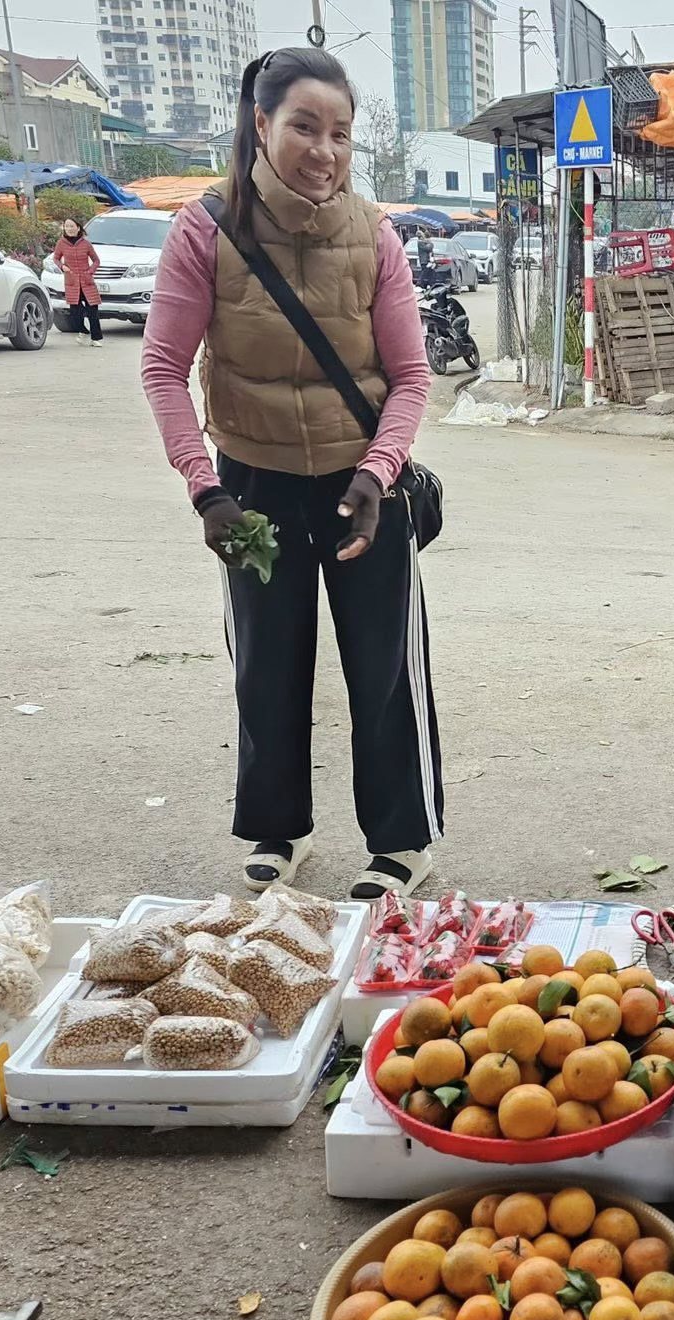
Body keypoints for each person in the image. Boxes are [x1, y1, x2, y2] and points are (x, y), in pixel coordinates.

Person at [140, 47, 440, 899]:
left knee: (381, 665)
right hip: (255, 483)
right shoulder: (205, 228)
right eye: (306, 126)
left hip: (362, 488)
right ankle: (279, 831)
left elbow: (412, 376)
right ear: (261, 124)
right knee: (266, 663)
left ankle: (402, 841)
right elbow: (165, 367)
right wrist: (206, 488)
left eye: (341, 133)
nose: (325, 150)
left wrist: (380, 474)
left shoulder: (376, 233)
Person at [52, 215, 103, 345]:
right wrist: (62, 267)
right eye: (67, 226)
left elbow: (96, 260)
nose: (69, 229)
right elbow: (56, 258)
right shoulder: (61, 243)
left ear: (78, 228)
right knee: (75, 312)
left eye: (71, 226)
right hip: (72, 282)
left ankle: (96, 338)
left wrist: (90, 272)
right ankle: (83, 331)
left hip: (87, 281)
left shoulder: (86, 243)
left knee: (93, 311)